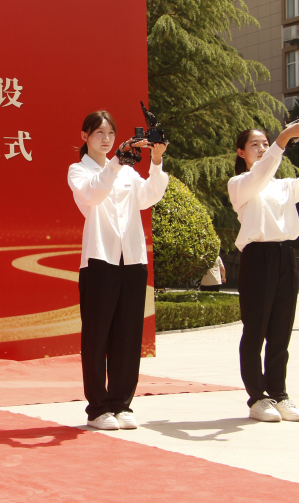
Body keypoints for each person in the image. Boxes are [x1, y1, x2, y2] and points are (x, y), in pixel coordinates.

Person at [67, 111, 168, 431]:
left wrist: (156, 160)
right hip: (99, 259)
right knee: (97, 337)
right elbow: (93, 195)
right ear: (85, 136)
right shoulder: (78, 170)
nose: (106, 138)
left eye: (110, 133)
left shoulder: (127, 172)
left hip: (133, 259)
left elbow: (148, 197)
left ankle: (122, 404)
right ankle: (98, 408)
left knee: (128, 335)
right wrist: (115, 163)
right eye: (99, 132)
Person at [228, 124, 299, 423]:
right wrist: (283, 139)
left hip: (284, 255)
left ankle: (279, 394)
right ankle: (258, 397)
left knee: (281, 329)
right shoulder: (240, 183)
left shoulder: (283, 186)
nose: (262, 148)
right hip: (257, 256)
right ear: (241, 152)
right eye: (255, 144)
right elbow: (261, 173)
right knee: (255, 330)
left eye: (265, 143)